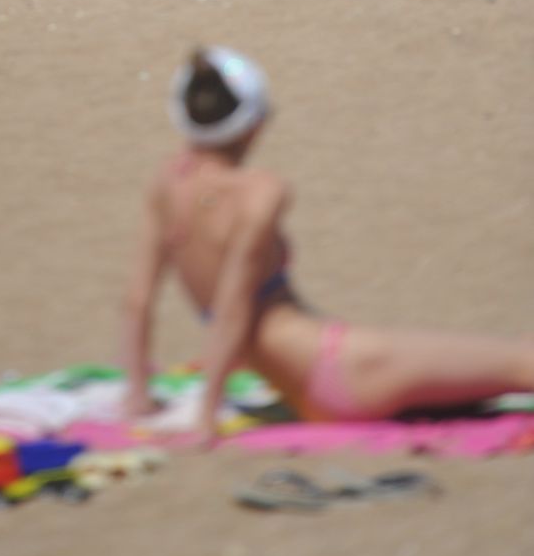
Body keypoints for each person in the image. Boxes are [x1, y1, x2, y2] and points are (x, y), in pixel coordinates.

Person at [121, 46, 534, 444]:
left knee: (501, 373)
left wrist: (137, 394)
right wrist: (206, 419)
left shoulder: (166, 185)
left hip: (299, 389)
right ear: (254, 124)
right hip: (340, 365)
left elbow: (138, 299)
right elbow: (234, 306)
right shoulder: (261, 192)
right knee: (521, 360)